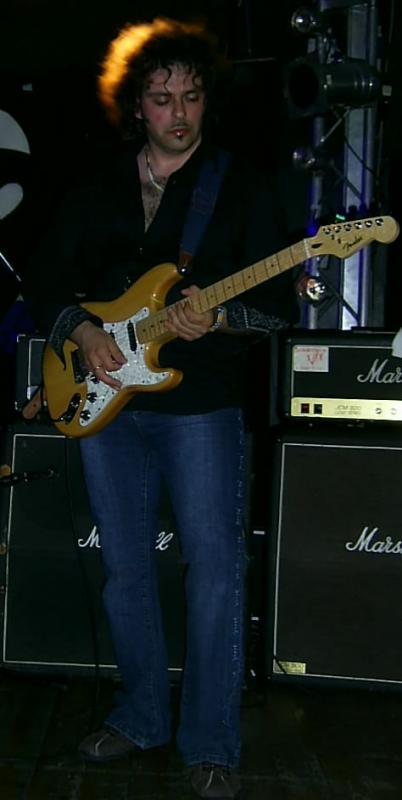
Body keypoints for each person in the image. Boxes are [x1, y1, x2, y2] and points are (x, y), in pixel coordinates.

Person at [23, 17, 298, 799]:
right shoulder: (97, 184)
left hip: (200, 403)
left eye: (192, 96)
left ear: (208, 101)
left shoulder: (240, 187)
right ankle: (141, 715)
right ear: (135, 106)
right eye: (162, 98)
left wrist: (222, 315)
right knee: (125, 570)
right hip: (107, 400)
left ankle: (210, 742)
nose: (179, 112)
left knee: (214, 571)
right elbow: (45, 278)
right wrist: (80, 330)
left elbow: (277, 306)